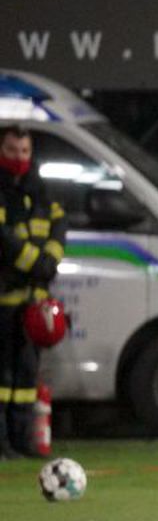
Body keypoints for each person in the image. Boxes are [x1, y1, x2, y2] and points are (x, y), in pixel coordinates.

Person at [0, 126, 65, 458]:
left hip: (33, 301)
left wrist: (50, 260)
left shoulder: (38, 190)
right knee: (3, 375)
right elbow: (4, 240)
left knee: (26, 378)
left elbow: (58, 226)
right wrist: (34, 263)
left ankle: (23, 441)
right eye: (12, 150)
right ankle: (2, 443)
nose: (19, 158)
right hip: (5, 297)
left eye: (24, 151)